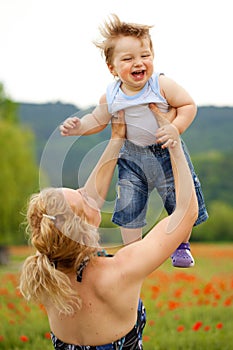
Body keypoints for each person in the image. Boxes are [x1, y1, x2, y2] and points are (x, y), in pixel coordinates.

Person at [20, 107, 198, 349]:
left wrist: (117, 139)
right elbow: (186, 212)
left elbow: (90, 201)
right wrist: (174, 144)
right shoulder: (121, 270)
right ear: (85, 227)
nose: (86, 191)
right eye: (81, 195)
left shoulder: (50, 272)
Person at [59, 14, 208, 268]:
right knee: (129, 202)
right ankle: (132, 251)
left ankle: (181, 245)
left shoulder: (160, 85)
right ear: (112, 68)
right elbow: (98, 120)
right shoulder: (112, 95)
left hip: (164, 152)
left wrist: (175, 127)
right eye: (128, 59)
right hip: (131, 156)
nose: (139, 63)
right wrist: (79, 127)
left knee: (178, 196)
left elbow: (188, 105)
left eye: (145, 55)